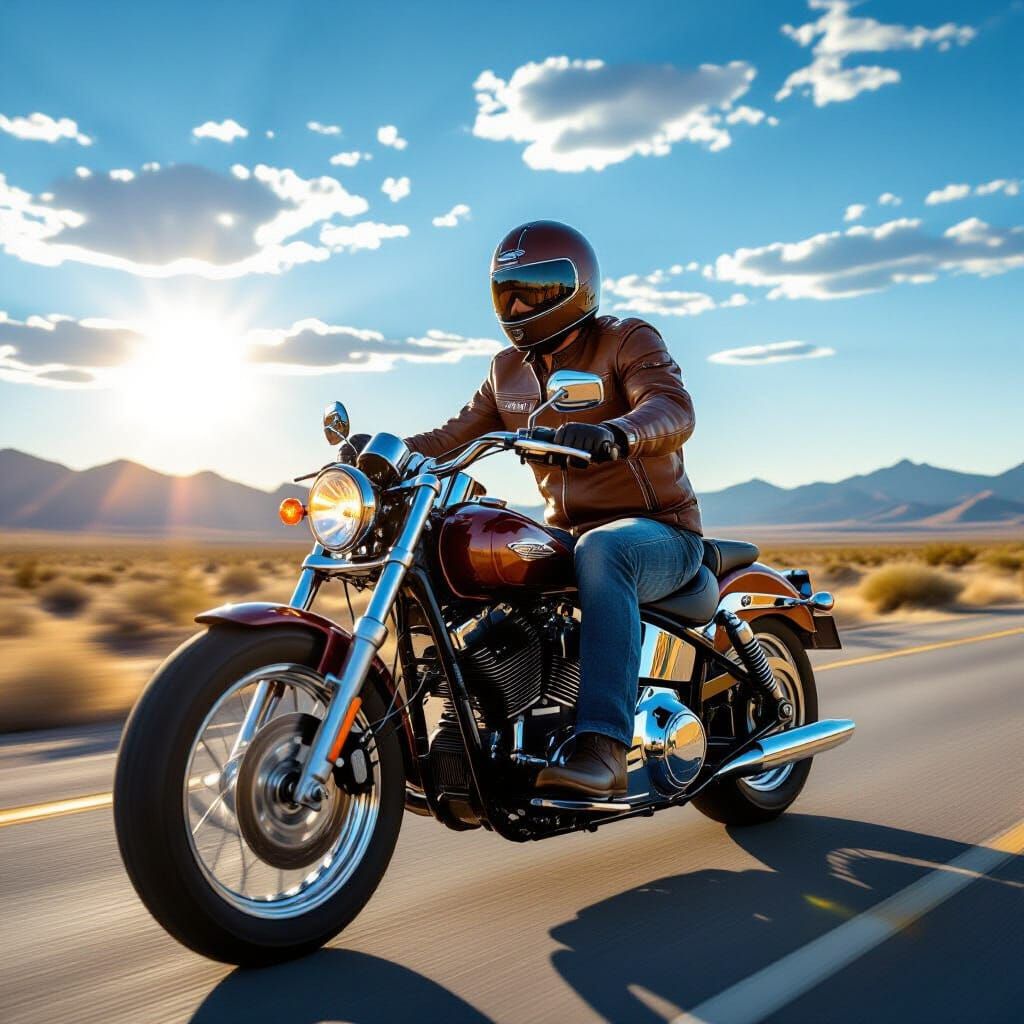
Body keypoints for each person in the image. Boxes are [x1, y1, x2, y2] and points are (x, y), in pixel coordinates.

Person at [405, 220, 704, 799]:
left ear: (578, 287)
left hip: (657, 534)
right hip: (566, 534)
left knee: (604, 547)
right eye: (506, 290)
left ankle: (604, 747)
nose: (517, 303)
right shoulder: (506, 370)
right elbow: (454, 437)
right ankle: (458, 741)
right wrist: (385, 452)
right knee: (457, 546)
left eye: (534, 289)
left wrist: (618, 433)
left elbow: (672, 408)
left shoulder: (627, 340)